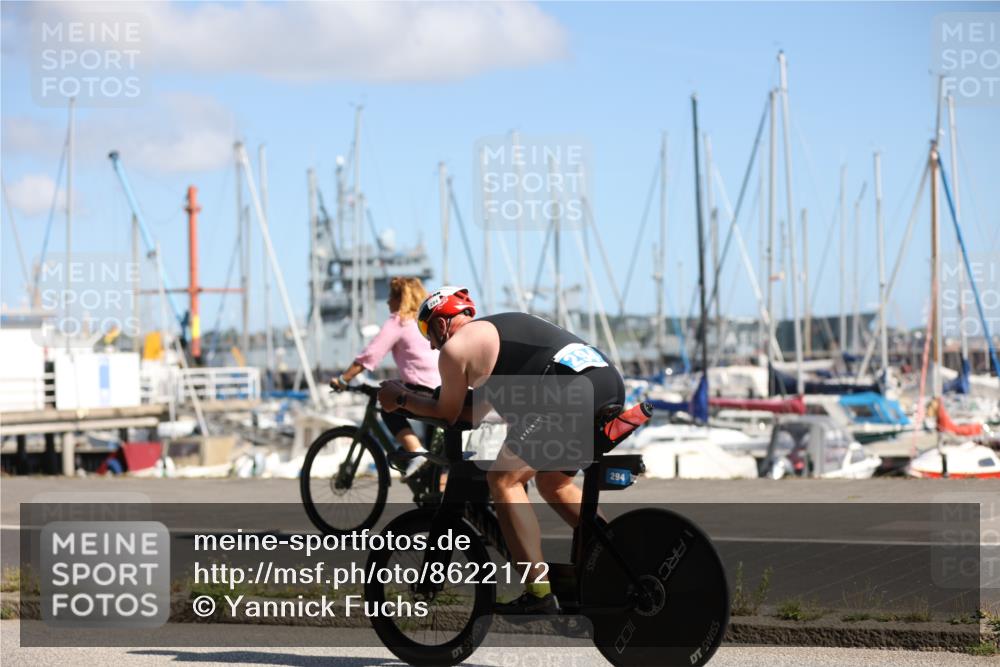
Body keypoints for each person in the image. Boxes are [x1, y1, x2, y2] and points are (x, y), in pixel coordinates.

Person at [378, 286, 625, 615]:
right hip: (606, 384)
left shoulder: (456, 348)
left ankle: (539, 591)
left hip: (567, 394)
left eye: (429, 334)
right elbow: (473, 414)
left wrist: (400, 398)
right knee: (554, 483)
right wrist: (420, 405)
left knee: (504, 480)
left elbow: (447, 414)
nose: (431, 345)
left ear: (440, 324)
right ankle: (616, 564)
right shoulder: (498, 339)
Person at [332, 277, 440, 478]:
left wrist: (343, 380)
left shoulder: (400, 321)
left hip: (422, 389)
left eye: (391, 296)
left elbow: (371, 355)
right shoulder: (428, 320)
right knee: (438, 462)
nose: (387, 301)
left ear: (401, 298)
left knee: (388, 404)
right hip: (444, 391)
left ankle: (415, 451)